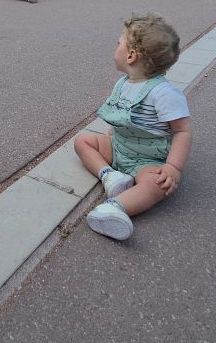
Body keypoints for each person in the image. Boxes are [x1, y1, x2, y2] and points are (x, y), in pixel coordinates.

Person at [74, 13, 191, 241]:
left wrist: (173, 167)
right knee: (83, 141)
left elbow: (183, 130)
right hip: (120, 146)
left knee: (156, 185)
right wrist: (113, 132)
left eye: (118, 43)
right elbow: (123, 114)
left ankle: (115, 207)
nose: (115, 47)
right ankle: (110, 177)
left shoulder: (164, 93)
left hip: (148, 160)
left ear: (130, 56)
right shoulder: (125, 82)